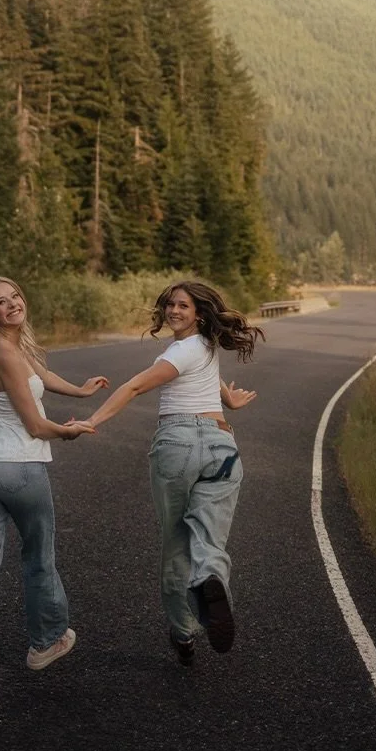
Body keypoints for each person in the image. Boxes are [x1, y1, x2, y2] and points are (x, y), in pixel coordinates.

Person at [0, 276, 108, 723]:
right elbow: (36, 426)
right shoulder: (5, 352)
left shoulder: (13, 346)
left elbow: (39, 374)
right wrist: (71, 430)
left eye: (15, 295)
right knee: (38, 555)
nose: (13, 304)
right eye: (2, 302)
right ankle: (46, 641)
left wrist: (80, 389)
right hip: (16, 469)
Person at [69, 280, 262, 664]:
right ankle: (211, 578)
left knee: (176, 543)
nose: (174, 311)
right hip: (222, 448)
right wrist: (228, 400)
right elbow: (205, 372)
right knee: (209, 536)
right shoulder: (204, 345)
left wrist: (93, 420)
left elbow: (136, 386)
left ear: (199, 314)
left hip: (177, 447)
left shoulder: (181, 350)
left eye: (183, 306)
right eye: (170, 304)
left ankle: (184, 631)